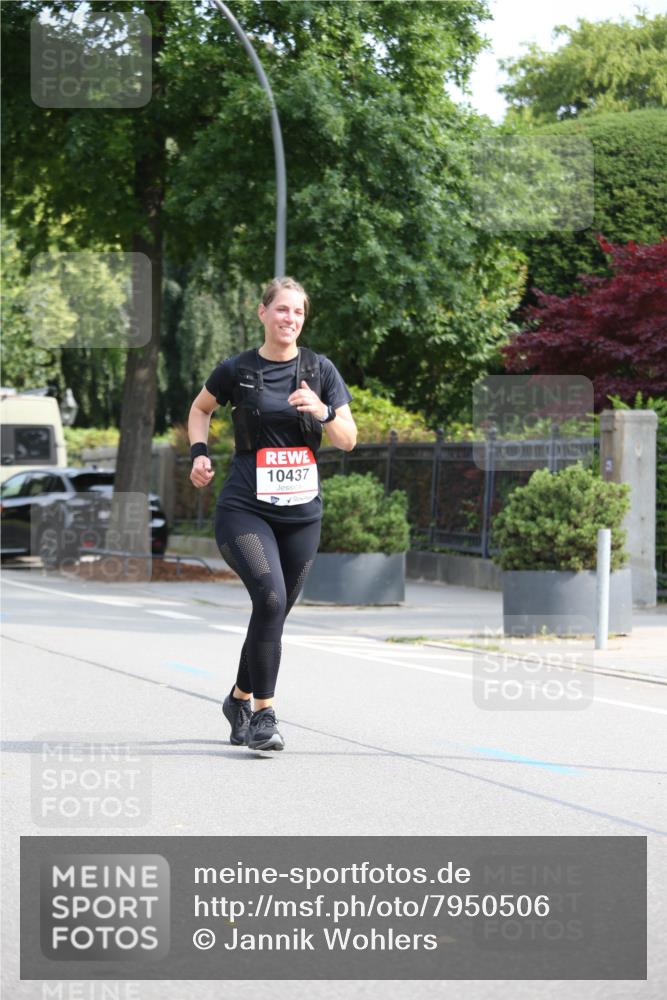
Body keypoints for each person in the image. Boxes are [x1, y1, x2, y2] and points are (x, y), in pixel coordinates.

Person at [188, 277, 357, 751]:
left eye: (298, 312)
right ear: (262, 313)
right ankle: (265, 716)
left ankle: (238, 699)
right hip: (245, 507)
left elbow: (348, 439)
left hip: (301, 515)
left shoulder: (320, 370)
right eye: (282, 309)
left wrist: (323, 411)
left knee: (274, 609)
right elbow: (200, 409)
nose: (290, 319)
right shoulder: (237, 370)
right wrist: (199, 453)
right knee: (269, 597)